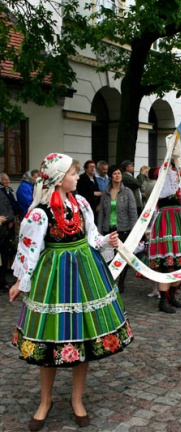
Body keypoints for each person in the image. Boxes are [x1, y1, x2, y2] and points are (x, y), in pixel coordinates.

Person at [9, 153, 133, 430]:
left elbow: (91, 237)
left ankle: (77, 400)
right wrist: (20, 282)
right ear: (58, 178)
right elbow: (29, 249)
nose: (77, 177)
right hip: (54, 276)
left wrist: (106, 240)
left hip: (84, 273)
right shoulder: (41, 212)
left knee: (82, 337)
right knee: (50, 338)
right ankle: (45, 401)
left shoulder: (81, 203)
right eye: (73, 173)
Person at [148, 162, 181, 311]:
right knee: (167, 265)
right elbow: (166, 182)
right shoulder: (162, 185)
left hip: (180, 223)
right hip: (166, 223)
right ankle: (163, 300)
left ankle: (172, 296)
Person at [97, 165, 138, 293]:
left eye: (119, 173)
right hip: (109, 228)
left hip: (124, 229)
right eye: (114, 173)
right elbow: (102, 213)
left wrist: (134, 230)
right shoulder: (106, 192)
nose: (117, 176)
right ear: (110, 176)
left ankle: (121, 282)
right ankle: (110, 280)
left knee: (122, 256)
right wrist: (99, 230)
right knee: (108, 256)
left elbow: (132, 212)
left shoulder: (127, 192)